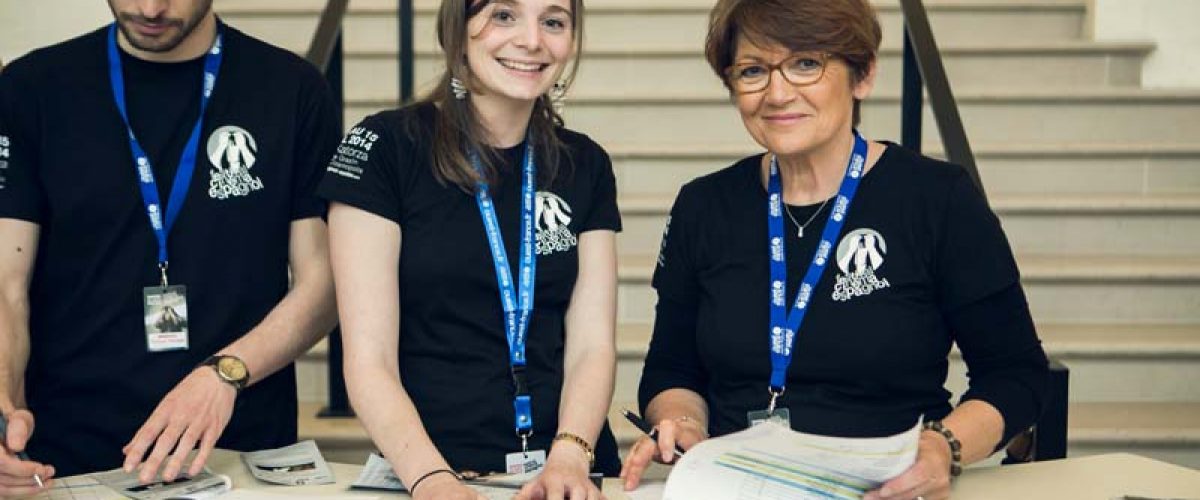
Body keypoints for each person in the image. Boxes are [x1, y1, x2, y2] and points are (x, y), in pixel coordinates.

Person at [620, 1, 1050, 499]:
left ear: (862, 75)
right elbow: (671, 369)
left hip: (887, 487)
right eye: (754, 70)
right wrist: (683, 422)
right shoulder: (704, 205)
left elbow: (1016, 375)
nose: (778, 93)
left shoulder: (938, 200)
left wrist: (944, 447)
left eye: (806, 63)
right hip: (737, 484)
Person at [0, 0, 340, 493]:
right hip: (67, 455)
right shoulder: (32, 87)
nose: (151, 8)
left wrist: (226, 374)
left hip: (239, 449)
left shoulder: (291, 88)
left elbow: (325, 283)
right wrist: (4, 407)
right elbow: (6, 284)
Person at [318, 0, 622, 498]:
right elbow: (369, 360)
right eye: (503, 14)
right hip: (434, 470)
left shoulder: (583, 163)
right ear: (458, 28)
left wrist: (570, 452)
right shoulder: (385, 148)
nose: (531, 40)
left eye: (553, 21)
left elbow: (592, 346)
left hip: (565, 469)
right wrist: (432, 479)